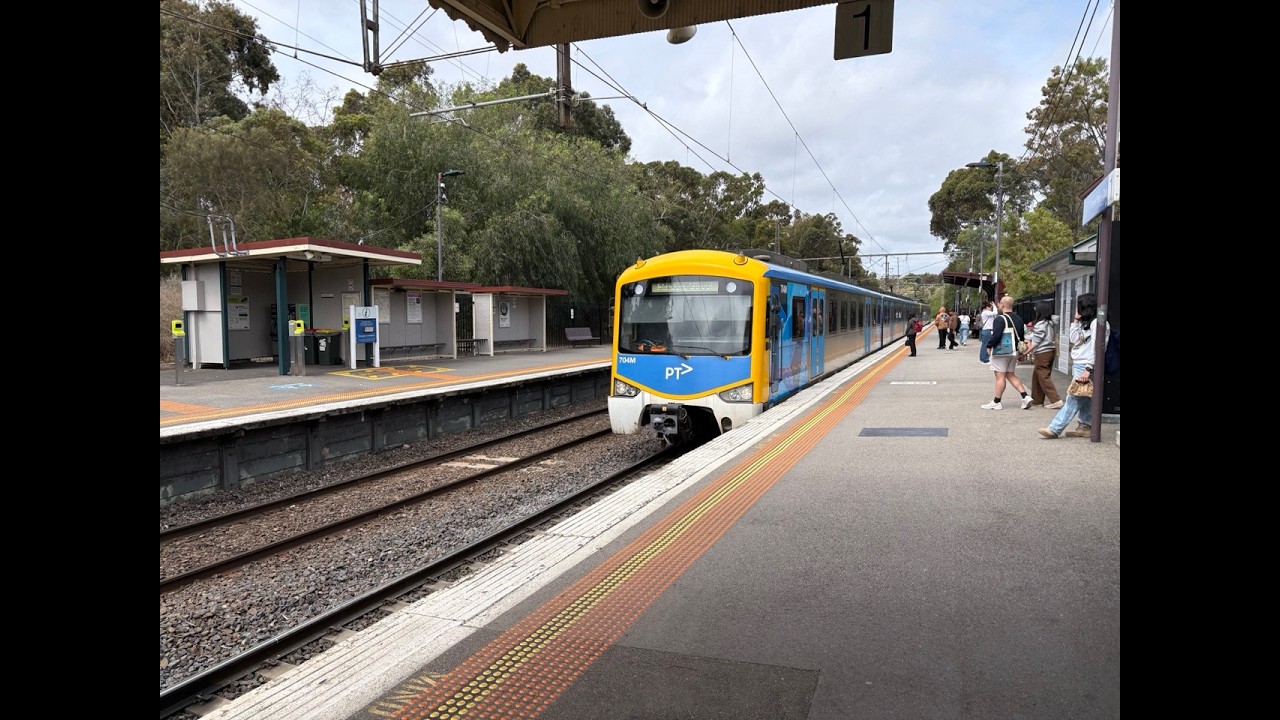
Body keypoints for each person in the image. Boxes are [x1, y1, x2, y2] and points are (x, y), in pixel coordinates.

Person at [1039, 293, 1108, 438]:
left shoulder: (1098, 323)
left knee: (1074, 397)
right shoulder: (1086, 323)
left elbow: (1097, 347)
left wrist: (1088, 368)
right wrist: (1076, 322)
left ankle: (1055, 428)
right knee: (1085, 396)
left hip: (1086, 364)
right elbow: (1074, 339)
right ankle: (1085, 425)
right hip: (1080, 363)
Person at [980, 295, 1033, 410]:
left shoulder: (1000, 319)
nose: (999, 306)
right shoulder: (1018, 319)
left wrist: (989, 346)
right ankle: (1025, 396)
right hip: (1014, 352)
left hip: (1001, 352)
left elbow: (996, 335)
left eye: (999, 304)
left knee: (999, 376)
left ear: (1003, 305)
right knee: (1010, 374)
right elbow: (1022, 335)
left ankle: (996, 402)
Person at [1024, 301, 1063, 409]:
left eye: (1036, 310)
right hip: (1050, 350)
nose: (1035, 312)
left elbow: (1036, 341)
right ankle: (1037, 400)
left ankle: (1055, 399)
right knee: (1037, 375)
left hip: (1042, 352)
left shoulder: (1041, 324)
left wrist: (1025, 353)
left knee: (1043, 376)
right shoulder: (1050, 322)